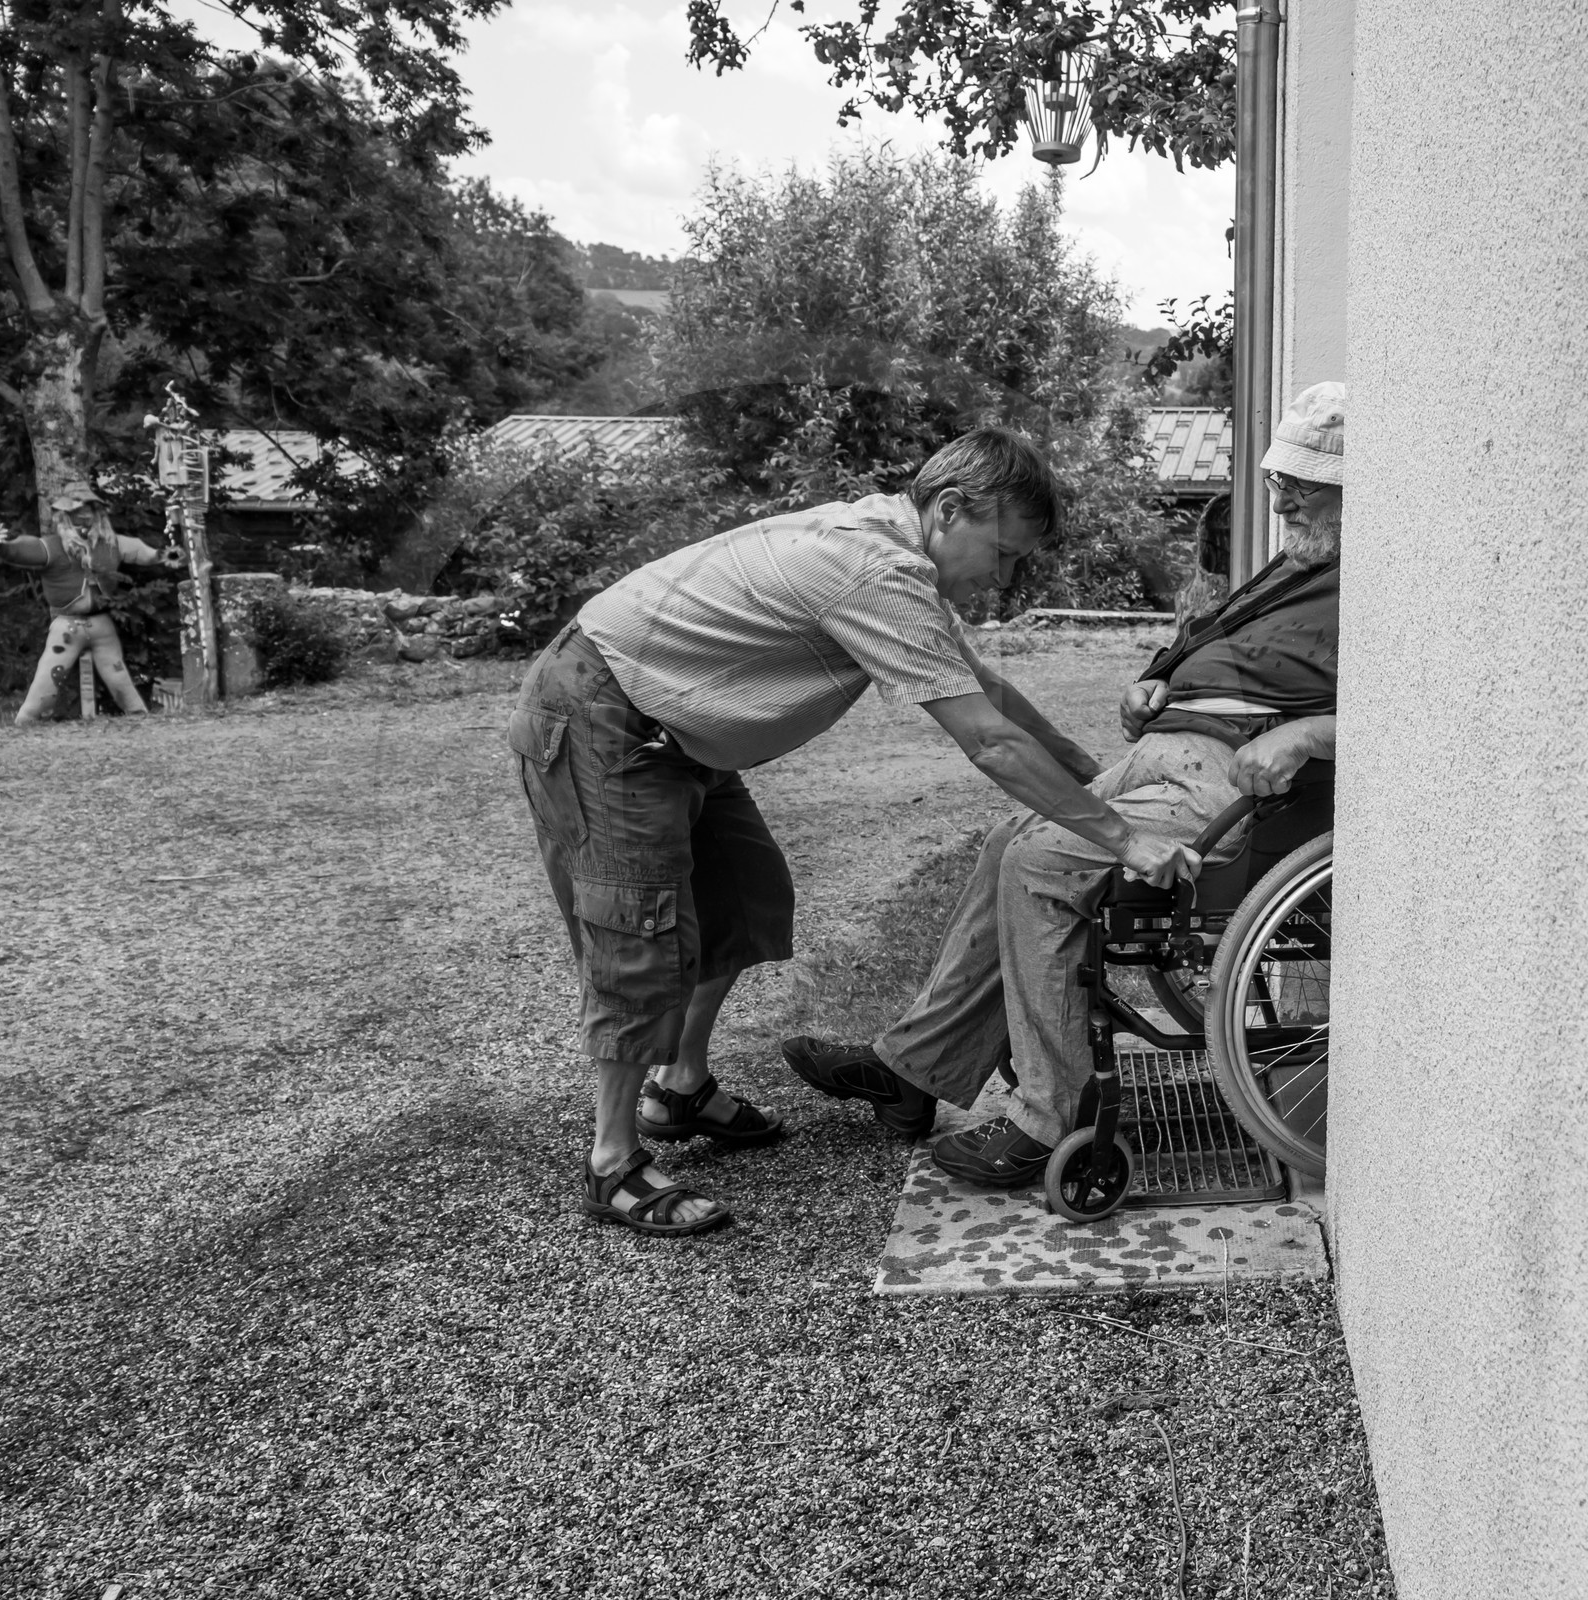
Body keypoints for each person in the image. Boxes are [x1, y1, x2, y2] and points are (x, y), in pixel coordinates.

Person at [509, 427, 1201, 1239]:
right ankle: (612, 1161)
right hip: (605, 717)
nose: (1006, 576)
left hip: (673, 733)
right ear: (950, 510)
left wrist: (1081, 767)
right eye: (1006, 553)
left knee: (745, 898)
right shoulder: (876, 570)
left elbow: (986, 688)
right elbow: (986, 739)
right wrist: (1122, 836)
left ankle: (679, 1088)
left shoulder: (892, 550)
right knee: (640, 937)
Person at [786, 382, 1346, 1189]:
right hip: (1172, 744)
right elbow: (1226, 644)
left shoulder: (1388, 582)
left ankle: (1052, 1118)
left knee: (1044, 861)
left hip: (1236, 771)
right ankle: (913, 1070)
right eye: (1279, 476)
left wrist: (1312, 732)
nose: (1280, 493)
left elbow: (1420, 716)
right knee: (1010, 838)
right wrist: (1157, 681)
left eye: (1303, 480)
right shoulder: (1306, 563)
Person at [0, 481, 183, 724]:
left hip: (101, 624)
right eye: (77, 510)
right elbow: (22, 550)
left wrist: (165, 553)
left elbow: (143, 552)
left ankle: (138, 718)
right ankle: (25, 720)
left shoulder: (111, 543)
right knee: (50, 674)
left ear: (97, 513)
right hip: (66, 626)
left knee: (117, 673)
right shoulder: (52, 546)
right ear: (65, 515)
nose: (84, 514)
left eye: (89, 509)